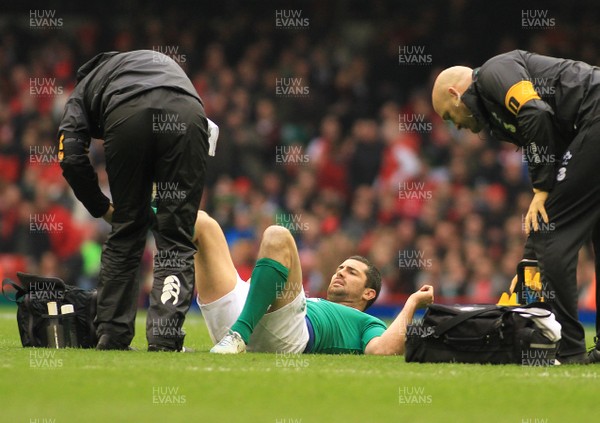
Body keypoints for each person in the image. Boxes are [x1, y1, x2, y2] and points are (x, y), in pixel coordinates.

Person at [431, 49, 600, 364]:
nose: (455, 126)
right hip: (589, 128)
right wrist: (529, 262)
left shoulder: (495, 72)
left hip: (595, 115)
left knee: (555, 239)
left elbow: (535, 112)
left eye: (448, 116)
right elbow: (559, 169)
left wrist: (540, 186)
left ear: (455, 95)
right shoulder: (496, 118)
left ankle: (570, 349)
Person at [58, 50, 210, 351]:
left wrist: (102, 208)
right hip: (189, 112)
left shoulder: (84, 88)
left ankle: (112, 335)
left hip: (127, 115)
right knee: (175, 236)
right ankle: (164, 338)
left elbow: (71, 157)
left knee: (127, 229)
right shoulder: (152, 63)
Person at [192, 210, 434, 355]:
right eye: (340, 269)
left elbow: (383, 351)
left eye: (351, 272)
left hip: (286, 336)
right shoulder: (316, 301)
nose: (340, 273)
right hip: (247, 313)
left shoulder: (369, 323)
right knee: (199, 221)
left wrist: (412, 302)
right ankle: (167, 337)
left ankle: (238, 335)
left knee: (278, 234)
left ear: (369, 293)